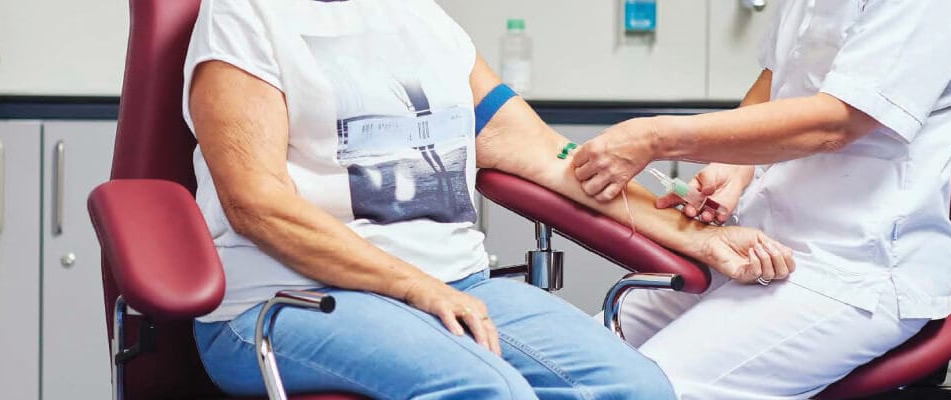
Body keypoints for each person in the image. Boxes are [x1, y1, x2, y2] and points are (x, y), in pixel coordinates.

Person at [183, 0, 793, 399]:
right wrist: (415, 287)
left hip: (457, 288)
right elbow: (256, 205)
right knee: (487, 391)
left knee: (636, 390)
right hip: (289, 300)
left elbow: (549, 156)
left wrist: (701, 238)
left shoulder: (425, 21)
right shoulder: (245, 17)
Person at [570, 0, 951, 398]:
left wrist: (654, 137)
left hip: (850, 271)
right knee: (567, 367)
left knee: (642, 390)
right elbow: (776, 78)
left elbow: (838, 122)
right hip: (753, 247)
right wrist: (735, 164)